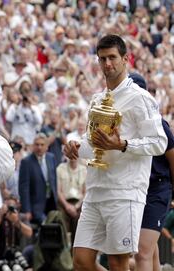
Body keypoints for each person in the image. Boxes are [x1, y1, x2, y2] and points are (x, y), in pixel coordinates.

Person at [63, 34, 167, 271]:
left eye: (112, 58)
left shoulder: (141, 98)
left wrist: (122, 145)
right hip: (95, 190)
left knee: (118, 263)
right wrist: (75, 147)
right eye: (102, 59)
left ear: (125, 59)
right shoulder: (97, 99)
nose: (107, 64)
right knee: (81, 261)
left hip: (125, 192)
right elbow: (92, 143)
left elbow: (159, 142)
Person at [130, 73, 174, 271]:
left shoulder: (159, 125)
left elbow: (173, 160)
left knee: (142, 251)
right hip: (135, 189)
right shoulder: (125, 126)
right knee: (149, 248)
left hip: (157, 189)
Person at [19, 132, 59, 225]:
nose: (39, 147)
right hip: (35, 206)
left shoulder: (51, 158)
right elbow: (23, 188)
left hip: (51, 203)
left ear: (47, 146)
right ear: (33, 146)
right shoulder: (26, 162)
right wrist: (27, 210)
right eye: (37, 144)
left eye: (42, 144)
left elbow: (54, 180)